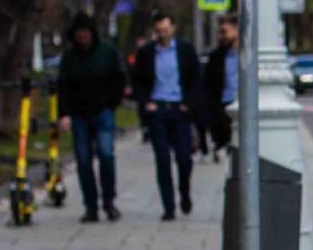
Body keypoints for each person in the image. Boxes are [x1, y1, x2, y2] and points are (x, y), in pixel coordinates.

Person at [56, 12, 126, 223]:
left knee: (106, 154)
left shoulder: (107, 52)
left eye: (86, 32)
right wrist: (64, 114)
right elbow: (63, 87)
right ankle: (90, 205)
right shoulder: (70, 57)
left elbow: (119, 78)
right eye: (79, 33)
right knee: (83, 160)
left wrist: (112, 103)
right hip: (79, 114)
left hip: (103, 111)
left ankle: (109, 201)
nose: (83, 36)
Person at [132, 11, 201, 220]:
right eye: (159, 29)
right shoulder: (147, 52)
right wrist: (147, 104)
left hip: (179, 109)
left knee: (184, 158)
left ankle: (185, 193)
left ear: (173, 28)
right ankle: (168, 206)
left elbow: (196, 79)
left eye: (166, 28)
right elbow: (137, 81)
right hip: (158, 110)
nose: (163, 32)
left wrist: (188, 104)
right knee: (162, 159)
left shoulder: (185, 50)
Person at [203, 14, 238, 162]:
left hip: (243, 106)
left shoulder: (250, 55)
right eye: (220, 32)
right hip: (223, 106)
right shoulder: (216, 56)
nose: (221, 36)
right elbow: (208, 84)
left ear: (237, 30)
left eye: (225, 32)